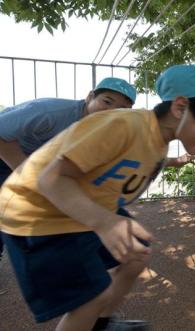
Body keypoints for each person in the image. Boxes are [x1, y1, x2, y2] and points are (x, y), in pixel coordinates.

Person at [0, 64, 195, 330]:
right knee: (91, 298)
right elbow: (51, 178)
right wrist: (105, 222)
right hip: (37, 213)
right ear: (181, 107)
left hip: (79, 206)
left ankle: (101, 324)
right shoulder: (123, 123)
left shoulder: (157, 143)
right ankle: (92, 317)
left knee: (134, 255)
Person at [0, 77, 136, 283]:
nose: (112, 112)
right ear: (90, 97)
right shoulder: (50, 112)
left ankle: (87, 274)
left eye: (122, 109)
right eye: (107, 102)